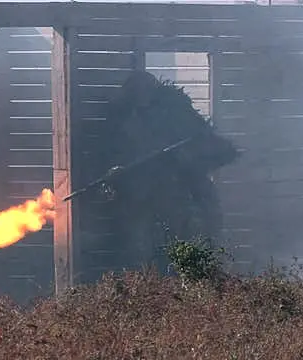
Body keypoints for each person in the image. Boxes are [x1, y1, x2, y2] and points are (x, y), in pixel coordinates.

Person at [89, 71, 238, 271]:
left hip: (178, 192)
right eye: (138, 92)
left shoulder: (176, 113)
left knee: (187, 246)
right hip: (138, 195)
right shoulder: (120, 118)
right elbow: (108, 152)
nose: (143, 96)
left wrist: (183, 158)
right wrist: (114, 171)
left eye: (147, 91)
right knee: (139, 252)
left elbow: (206, 145)